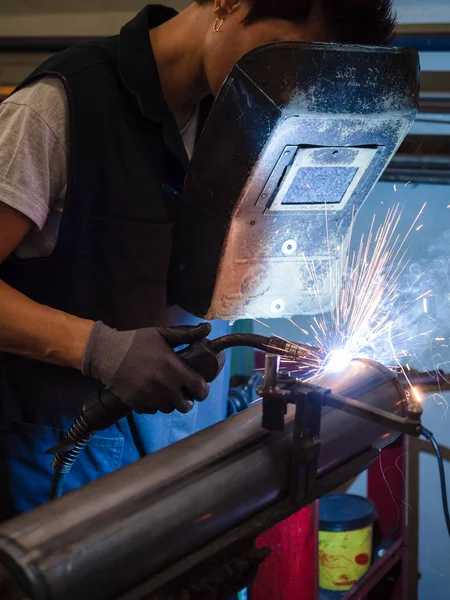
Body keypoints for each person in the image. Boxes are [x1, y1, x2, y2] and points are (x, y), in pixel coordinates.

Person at [0, 0, 396, 522]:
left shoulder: (241, 119)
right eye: (289, 56)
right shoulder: (59, 108)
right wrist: (95, 349)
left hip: (187, 461)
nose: (295, 89)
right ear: (230, 3)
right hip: (64, 468)